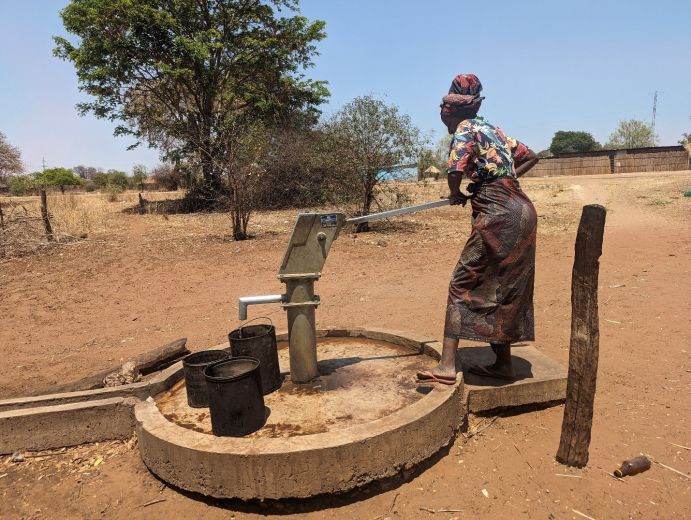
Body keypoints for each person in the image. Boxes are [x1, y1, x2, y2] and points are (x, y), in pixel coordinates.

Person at [417, 73, 539, 384]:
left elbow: (454, 167)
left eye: (444, 116)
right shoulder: (493, 130)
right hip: (522, 209)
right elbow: (530, 156)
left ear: (449, 112)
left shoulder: (464, 130)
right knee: (505, 285)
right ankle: (503, 365)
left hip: (499, 214)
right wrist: (497, 180)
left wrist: (456, 192)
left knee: (462, 282)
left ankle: (446, 366)